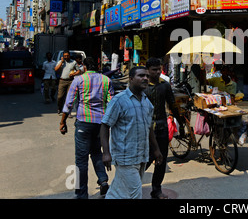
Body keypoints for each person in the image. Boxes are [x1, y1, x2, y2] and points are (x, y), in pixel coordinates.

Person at [100, 66, 162, 199]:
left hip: (141, 155)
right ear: (131, 79)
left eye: (146, 76)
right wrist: (106, 152)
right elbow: (105, 125)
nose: (145, 78)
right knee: (135, 194)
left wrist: (156, 150)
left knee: (118, 191)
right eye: (141, 76)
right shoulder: (119, 100)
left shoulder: (147, 102)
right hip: (125, 157)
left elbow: (149, 127)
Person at [59, 57, 114, 199]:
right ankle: (103, 180)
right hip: (101, 124)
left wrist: (62, 122)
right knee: (96, 152)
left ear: (84, 66)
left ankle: (81, 194)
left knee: (81, 161)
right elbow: (111, 103)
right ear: (97, 66)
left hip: (83, 123)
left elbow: (69, 103)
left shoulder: (79, 80)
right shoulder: (106, 80)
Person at [143, 58, 181, 199]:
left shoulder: (165, 86)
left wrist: (180, 122)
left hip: (162, 126)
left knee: (161, 159)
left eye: (159, 69)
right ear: (147, 70)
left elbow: (172, 104)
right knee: (146, 158)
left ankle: (156, 190)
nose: (158, 72)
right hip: (145, 128)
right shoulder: (142, 85)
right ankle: (131, 185)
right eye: (154, 70)